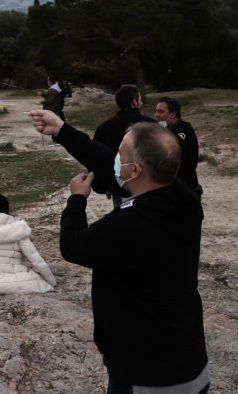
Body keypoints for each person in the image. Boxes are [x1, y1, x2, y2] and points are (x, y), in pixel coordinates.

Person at [29, 112, 209, 392]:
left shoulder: (126, 225)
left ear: (134, 170)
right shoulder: (183, 198)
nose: (114, 158)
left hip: (146, 376)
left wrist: (76, 199)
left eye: (120, 154)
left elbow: (72, 245)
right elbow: (105, 159)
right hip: (189, 360)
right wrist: (62, 130)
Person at [93, 85, 156, 208]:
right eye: (140, 98)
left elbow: (98, 158)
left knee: (123, 222)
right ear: (135, 102)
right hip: (149, 185)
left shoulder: (104, 128)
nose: (141, 101)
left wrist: (104, 185)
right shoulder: (151, 125)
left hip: (119, 185)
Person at [154, 97, 202, 199]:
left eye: (161, 112)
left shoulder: (182, 130)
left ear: (173, 114)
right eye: (156, 111)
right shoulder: (167, 130)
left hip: (183, 189)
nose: (156, 115)